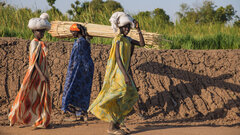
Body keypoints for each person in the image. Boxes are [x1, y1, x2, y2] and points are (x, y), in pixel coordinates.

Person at [88, 12, 145, 135]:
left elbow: (142, 44)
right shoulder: (117, 40)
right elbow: (118, 59)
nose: (127, 29)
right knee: (120, 94)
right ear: (119, 27)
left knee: (131, 95)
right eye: (125, 27)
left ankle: (118, 123)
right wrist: (125, 75)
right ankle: (111, 127)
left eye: (128, 27)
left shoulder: (128, 39)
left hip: (124, 72)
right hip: (119, 72)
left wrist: (139, 29)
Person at [8, 13, 52, 128]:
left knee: (40, 96)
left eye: (43, 32)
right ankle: (14, 116)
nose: (42, 34)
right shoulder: (34, 43)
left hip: (41, 73)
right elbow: (34, 61)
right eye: (39, 31)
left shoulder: (40, 43)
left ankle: (41, 120)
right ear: (34, 31)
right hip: (35, 74)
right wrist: (41, 75)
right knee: (26, 95)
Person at [61, 23, 94, 121]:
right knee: (82, 91)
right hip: (85, 69)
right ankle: (80, 114)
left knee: (72, 89)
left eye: (73, 31)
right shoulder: (84, 41)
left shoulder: (80, 42)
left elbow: (78, 58)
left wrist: (73, 70)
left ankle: (79, 114)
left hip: (79, 70)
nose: (72, 33)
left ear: (78, 31)